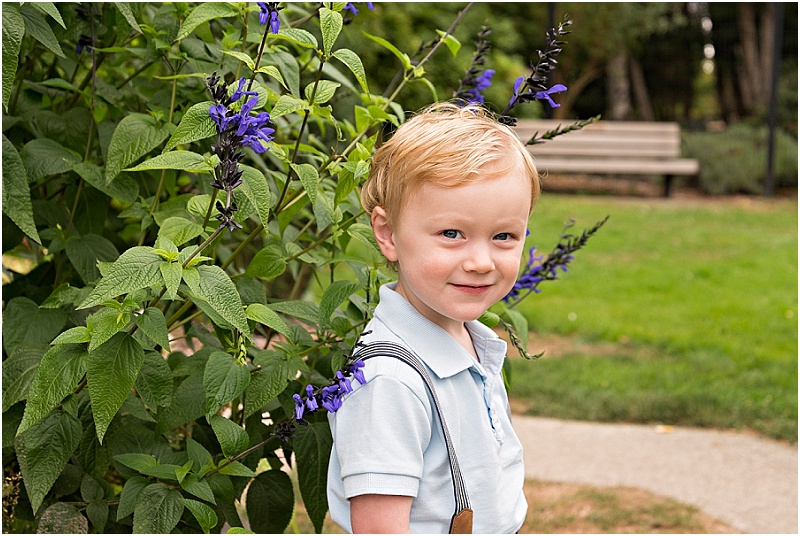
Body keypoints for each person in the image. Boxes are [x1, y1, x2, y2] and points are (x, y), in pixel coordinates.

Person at [326, 102, 541, 533]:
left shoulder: (468, 341)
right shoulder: (389, 382)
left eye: (504, 236)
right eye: (451, 234)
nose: (481, 261)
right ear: (387, 233)